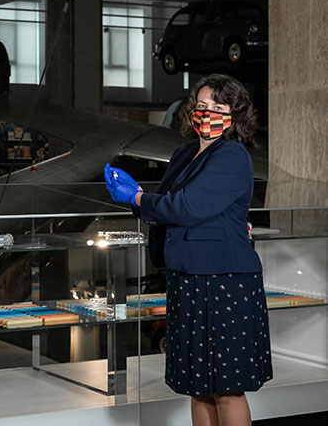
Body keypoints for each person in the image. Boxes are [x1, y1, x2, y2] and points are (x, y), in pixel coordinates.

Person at [103, 73, 272, 426]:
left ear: (235, 115)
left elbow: (187, 207)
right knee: (199, 385)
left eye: (218, 107)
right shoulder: (184, 154)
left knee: (227, 388)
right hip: (189, 276)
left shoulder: (232, 156)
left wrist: (136, 198)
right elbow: (169, 203)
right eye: (201, 106)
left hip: (224, 279)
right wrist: (140, 197)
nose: (206, 112)